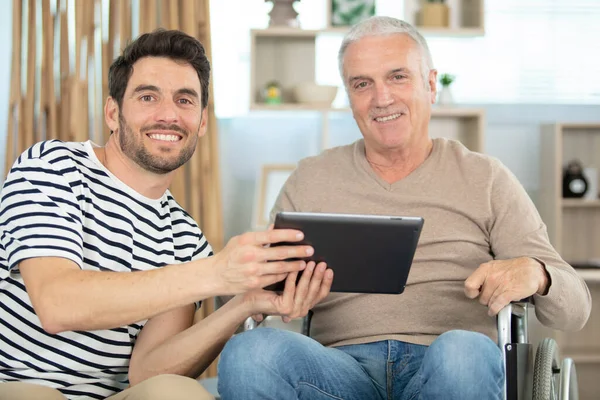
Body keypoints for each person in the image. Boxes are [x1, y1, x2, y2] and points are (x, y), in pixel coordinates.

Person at [217, 16, 592, 400]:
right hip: (338, 372)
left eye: (397, 77)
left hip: (448, 367)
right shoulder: (310, 179)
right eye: (362, 84)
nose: (381, 98)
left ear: (430, 84)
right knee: (251, 352)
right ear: (349, 97)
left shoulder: (487, 178)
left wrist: (538, 273)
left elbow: (575, 309)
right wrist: (259, 291)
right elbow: (247, 294)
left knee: (463, 353)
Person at [0, 29, 333, 400]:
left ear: (202, 122)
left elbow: (148, 372)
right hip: (17, 386)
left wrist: (246, 303)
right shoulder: (52, 166)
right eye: (147, 97)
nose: (168, 115)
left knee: (178, 393)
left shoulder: (186, 239)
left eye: (185, 100)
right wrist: (217, 272)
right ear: (113, 113)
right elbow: (57, 303)